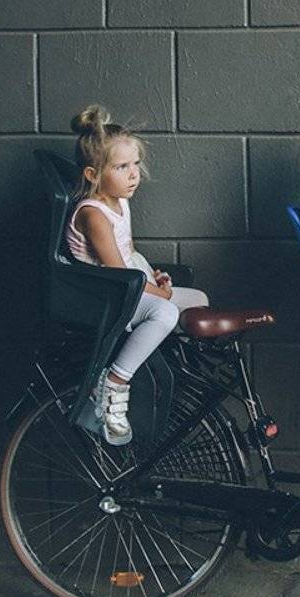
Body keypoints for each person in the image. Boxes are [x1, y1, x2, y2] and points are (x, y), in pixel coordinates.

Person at [66, 104, 209, 445]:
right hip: (105, 299)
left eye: (135, 164)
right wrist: (158, 294)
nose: (134, 175)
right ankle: (114, 382)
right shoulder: (92, 214)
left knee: (199, 301)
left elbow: (129, 254)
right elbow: (118, 273)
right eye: (121, 167)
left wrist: (153, 276)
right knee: (165, 312)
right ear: (92, 175)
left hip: (127, 290)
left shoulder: (120, 202)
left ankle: (156, 361)